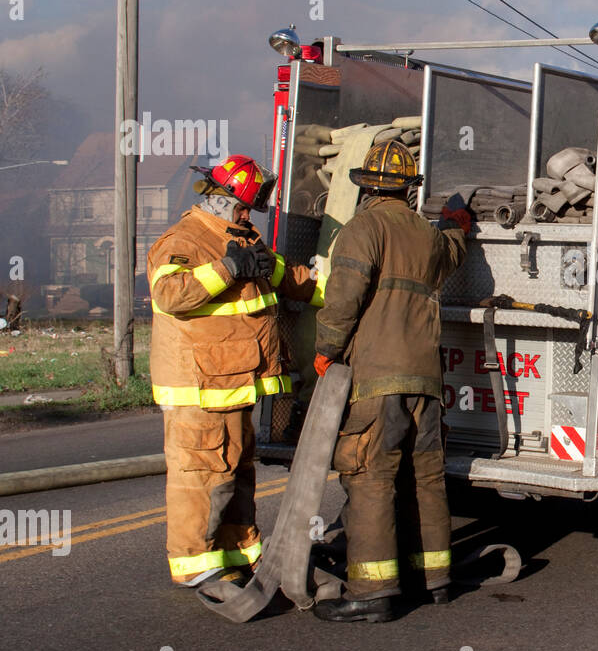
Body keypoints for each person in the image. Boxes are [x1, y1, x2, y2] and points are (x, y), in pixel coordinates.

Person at [312, 139, 471, 623]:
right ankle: (435, 579)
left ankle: (373, 593)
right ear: (408, 189)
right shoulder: (426, 234)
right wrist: (457, 224)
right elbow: (452, 253)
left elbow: (343, 298)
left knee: (370, 477)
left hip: (377, 378)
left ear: (366, 187)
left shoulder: (364, 228)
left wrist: (325, 351)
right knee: (425, 477)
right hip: (425, 379)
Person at [149, 155, 321, 590]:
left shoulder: (243, 239)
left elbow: (289, 278)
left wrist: (342, 287)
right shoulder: (184, 239)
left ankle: (238, 553)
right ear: (221, 201)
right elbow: (171, 294)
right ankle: (196, 565)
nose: (248, 216)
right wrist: (229, 269)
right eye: (243, 208)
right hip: (201, 389)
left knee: (234, 472)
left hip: (233, 386)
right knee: (201, 477)